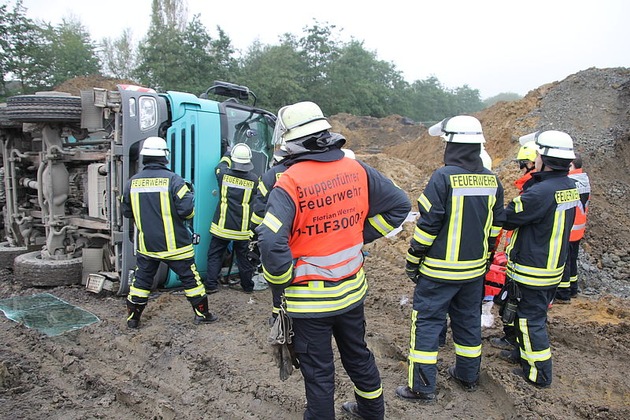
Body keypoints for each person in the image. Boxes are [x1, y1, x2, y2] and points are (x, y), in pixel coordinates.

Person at [257, 101, 411, 420]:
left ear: (290, 140)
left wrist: (281, 280)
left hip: (309, 302)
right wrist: (356, 234)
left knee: (319, 374)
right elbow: (399, 207)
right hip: (352, 294)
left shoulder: (290, 181)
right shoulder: (356, 169)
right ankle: (371, 413)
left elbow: (270, 241)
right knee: (358, 357)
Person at [397, 115, 504, 402]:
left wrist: (413, 258)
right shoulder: (493, 181)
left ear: (451, 145)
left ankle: (421, 387)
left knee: (428, 324)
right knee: (468, 322)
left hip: (438, 272)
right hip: (473, 272)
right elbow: (495, 229)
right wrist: (485, 259)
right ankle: (468, 376)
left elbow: (428, 225)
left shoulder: (442, 178)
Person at [500, 130, 579, 388]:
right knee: (532, 317)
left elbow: (508, 217)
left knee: (529, 320)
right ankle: (522, 354)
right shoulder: (568, 186)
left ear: (544, 157)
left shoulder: (541, 192)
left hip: (533, 269)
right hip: (552, 266)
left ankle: (539, 374)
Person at [121, 136, 218, 328]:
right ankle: (202, 314)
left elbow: (126, 211)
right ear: (165, 156)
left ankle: (133, 320)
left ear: (144, 157)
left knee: (141, 282)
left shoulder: (131, 183)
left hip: (147, 245)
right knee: (191, 280)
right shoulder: (174, 180)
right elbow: (187, 211)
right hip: (176, 246)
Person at [490, 140, 538, 351]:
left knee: (513, 302)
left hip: (524, 259)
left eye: (522, 163)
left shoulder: (533, 190)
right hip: (528, 256)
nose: (521, 167)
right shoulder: (538, 187)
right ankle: (514, 339)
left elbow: (509, 219)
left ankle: (514, 341)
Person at [205, 143, 258, 294]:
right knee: (243, 259)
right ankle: (247, 287)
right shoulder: (254, 180)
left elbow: (220, 165)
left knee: (215, 255)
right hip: (242, 230)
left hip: (222, 226)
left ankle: (211, 286)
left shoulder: (223, 174)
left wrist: (228, 154)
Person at [555, 152, 591, 303]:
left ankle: (563, 293)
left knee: (564, 261)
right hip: (579, 228)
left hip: (569, 228)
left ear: (571, 165)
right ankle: (573, 288)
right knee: (572, 259)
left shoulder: (569, 181)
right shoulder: (584, 179)